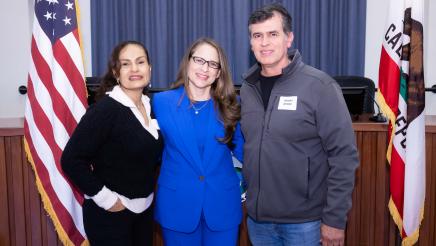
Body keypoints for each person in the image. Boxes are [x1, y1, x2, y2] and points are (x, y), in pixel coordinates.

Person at [240, 3, 359, 246]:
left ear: (289, 38)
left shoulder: (320, 86)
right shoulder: (247, 89)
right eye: (257, 35)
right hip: (258, 222)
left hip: (306, 224)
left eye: (273, 34)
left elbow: (344, 156)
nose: (264, 43)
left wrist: (335, 220)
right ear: (251, 42)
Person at [61, 40, 163, 245]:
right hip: (110, 217)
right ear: (116, 73)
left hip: (143, 214)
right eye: (125, 64)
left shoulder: (150, 105)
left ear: (149, 68)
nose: (134, 69)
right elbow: (71, 159)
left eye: (140, 62)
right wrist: (107, 200)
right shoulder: (105, 110)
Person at [152, 37, 244, 245]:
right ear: (188, 62)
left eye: (213, 64)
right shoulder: (161, 103)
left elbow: (245, 151)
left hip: (223, 206)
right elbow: (148, 151)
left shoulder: (232, 105)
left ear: (219, 72)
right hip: (177, 206)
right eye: (199, 60)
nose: (205, 69)